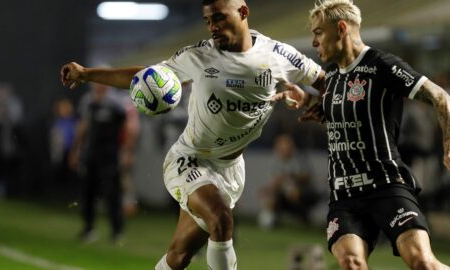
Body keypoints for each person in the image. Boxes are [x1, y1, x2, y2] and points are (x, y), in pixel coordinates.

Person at [60, 0, 324, 268]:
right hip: (190, 159)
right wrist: (87, 74)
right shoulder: (199, 56)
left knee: (179, 256)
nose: (212, 27)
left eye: (219, 18)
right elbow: (146, 76)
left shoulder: (279, 56)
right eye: (208, 20)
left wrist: (315, 103)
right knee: (221, 219)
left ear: (243, 12)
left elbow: (325, 83)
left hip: (230, 169)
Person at [276, 1, 450, 269]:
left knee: (422, 263)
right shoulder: (331, 77)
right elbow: (340, 116)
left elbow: (441, 97)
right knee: (351, 262)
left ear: (342, 29)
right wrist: (308, 102)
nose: (314, 41)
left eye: (319, 32)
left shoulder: (383, 66)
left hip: (386, 186)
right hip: (344, 195)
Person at [70, 84, 128, 243]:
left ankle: (117, 231)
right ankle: (88, 228)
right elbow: (82, 126)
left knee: (112, 194)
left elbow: (128, 127)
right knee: (87, 192)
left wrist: (127, 151)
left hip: (110, 155)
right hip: (90, 154)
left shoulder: (117, 103)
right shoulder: (87, 101)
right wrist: (76, 150)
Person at [258, 134, 319, 228]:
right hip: (284, 193)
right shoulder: (275, 162)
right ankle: (270, 221)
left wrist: (290, 177)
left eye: (285, 147)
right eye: (280, 147)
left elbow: (307, 177)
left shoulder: (299, 158)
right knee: (268, 195)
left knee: (296, 194)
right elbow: (274, 182)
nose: (282, 150)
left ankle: (304, 218)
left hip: (303, 191)